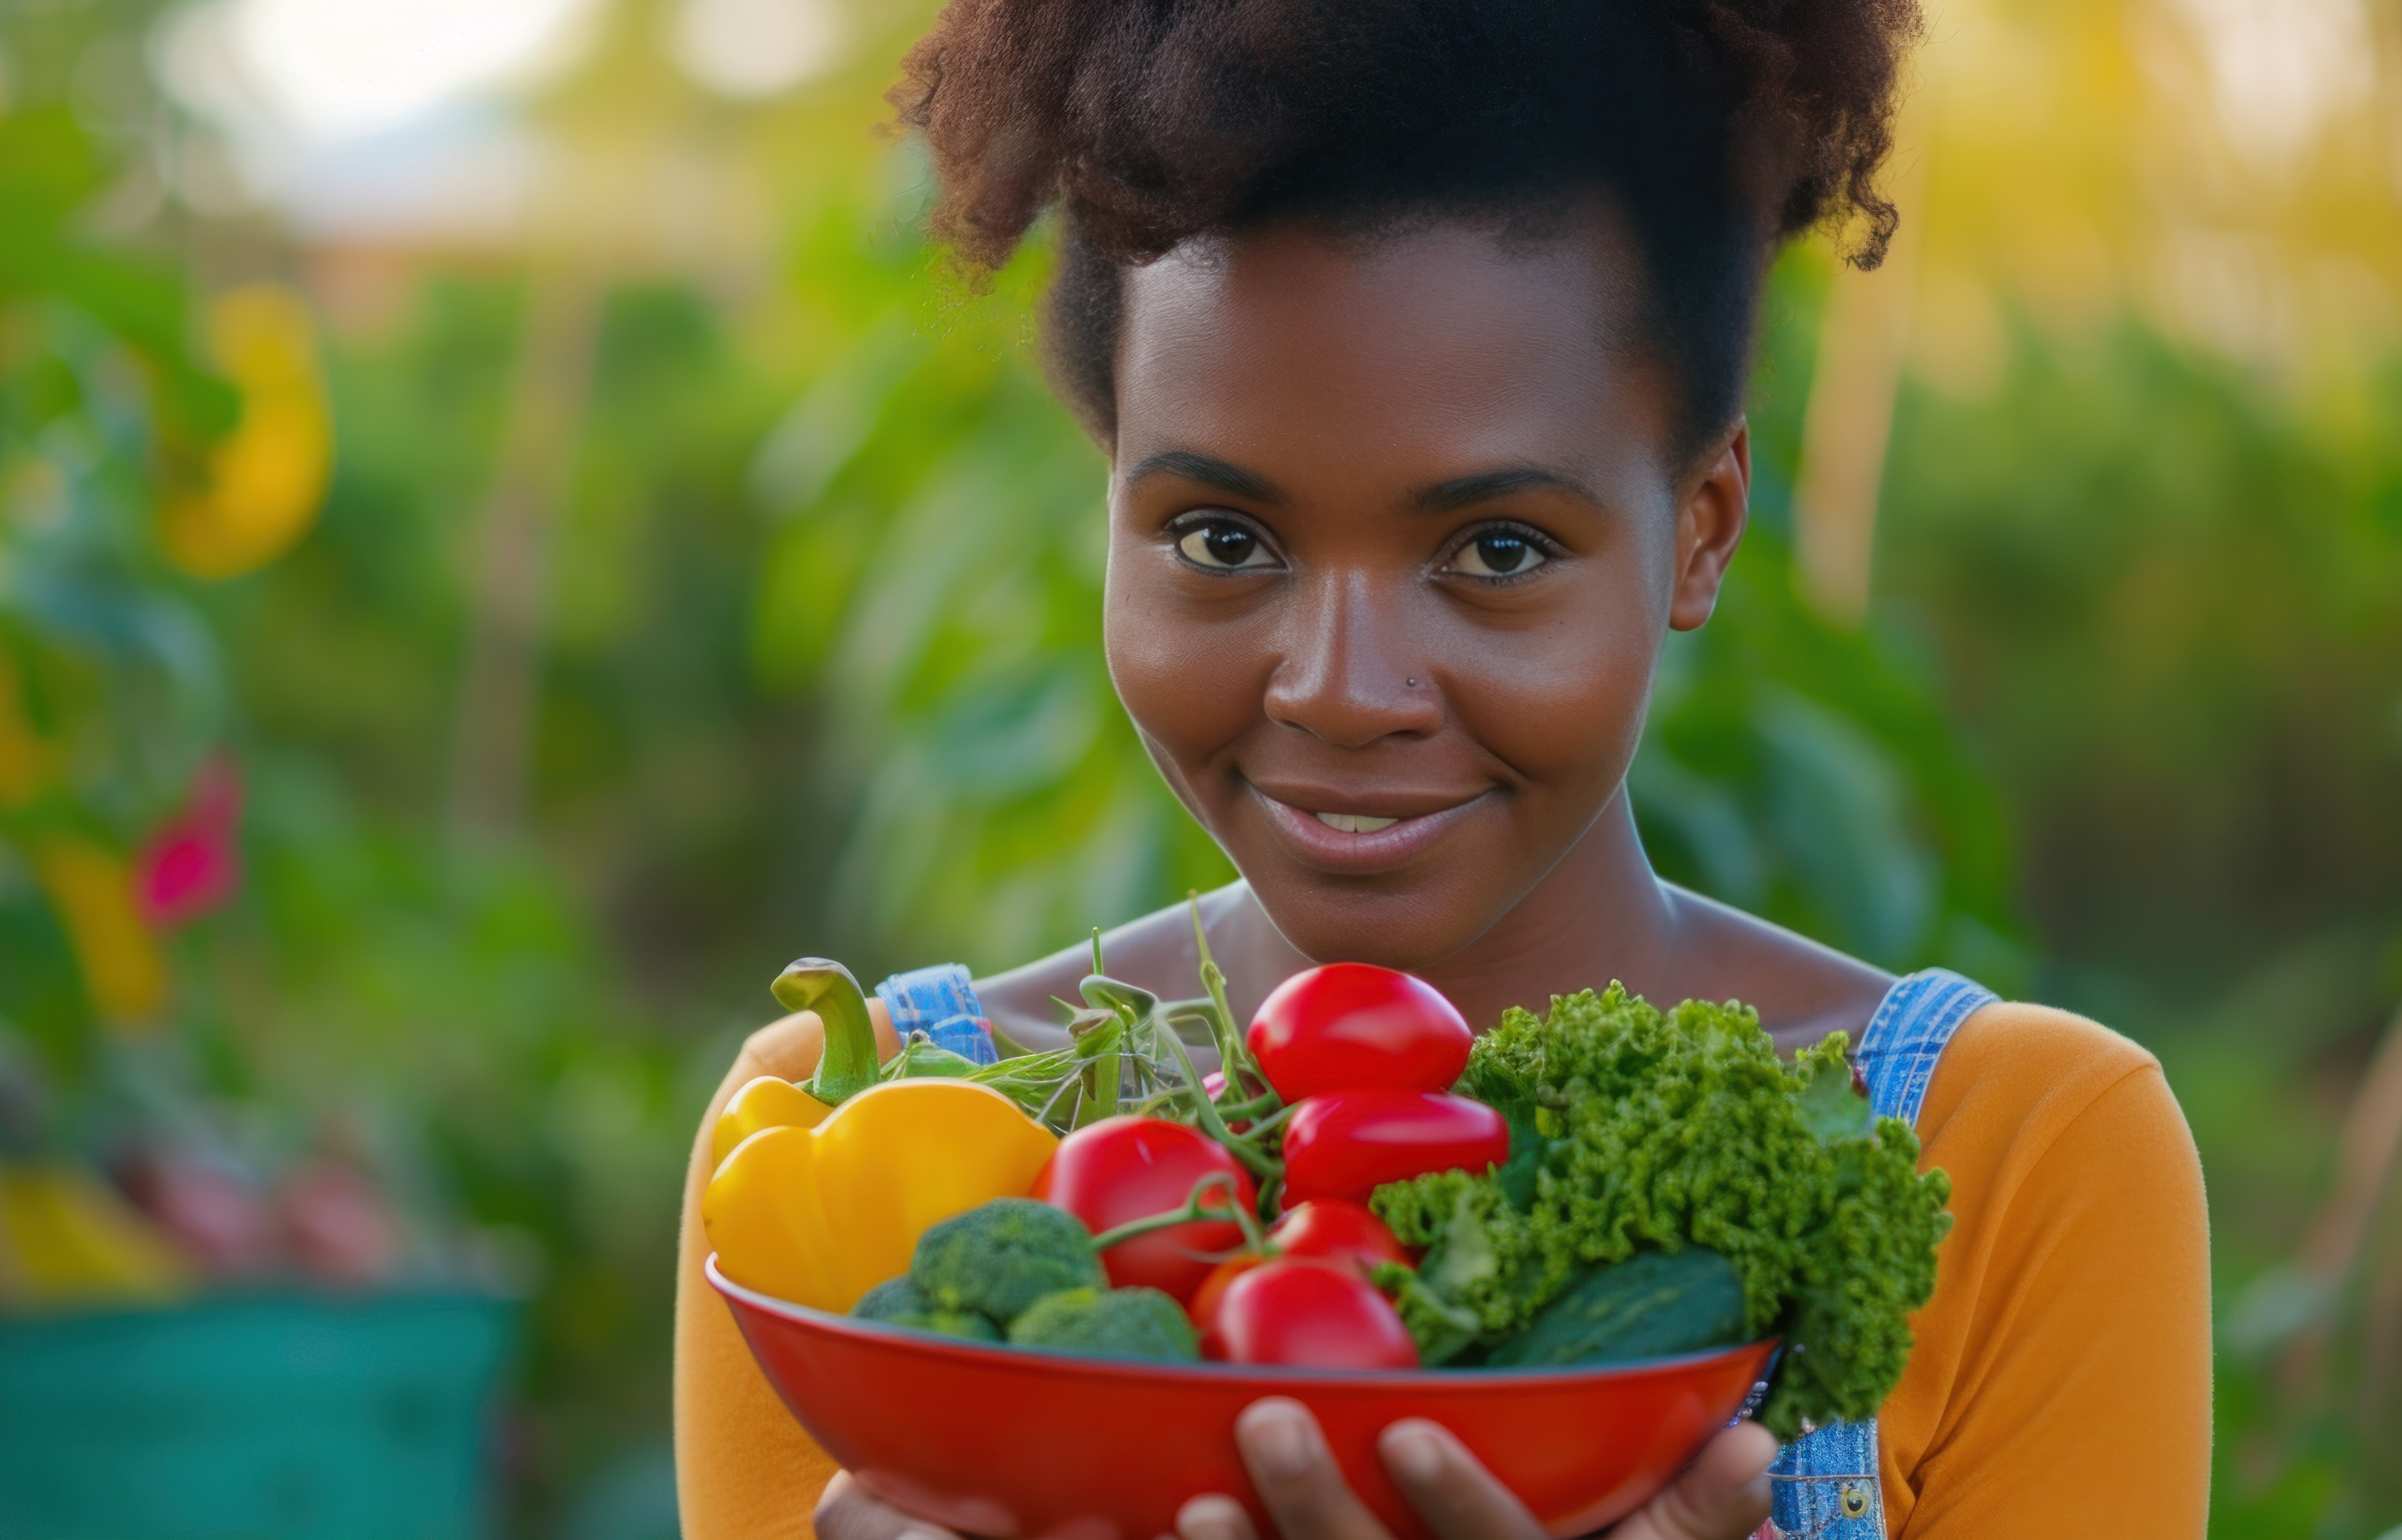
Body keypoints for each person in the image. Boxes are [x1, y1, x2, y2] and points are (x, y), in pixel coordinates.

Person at [674, 0, 2212, 1534]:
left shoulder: (2015, 1163)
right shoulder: (834, 1154)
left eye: (1495, 548)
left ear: (1702, 526)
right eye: (1223, 539)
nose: (1341, 691)